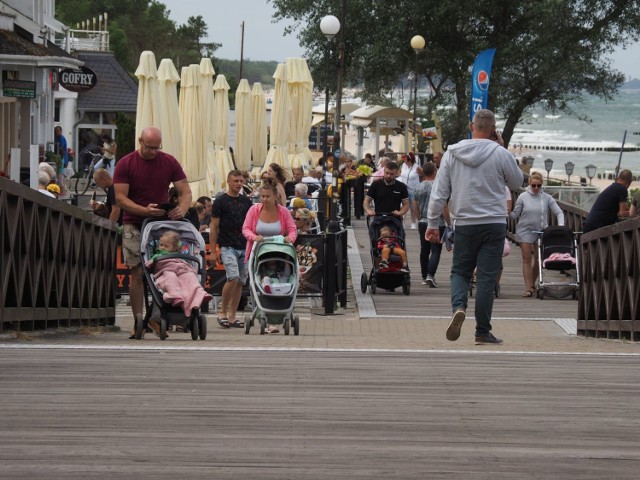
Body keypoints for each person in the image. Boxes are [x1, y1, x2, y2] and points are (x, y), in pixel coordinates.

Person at [426, 109, 523, 345]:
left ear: (472, 127)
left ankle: (459, 307)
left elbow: (440, 192)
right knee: (487, 278)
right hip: (494, 223)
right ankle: (482, 331)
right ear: (493, 130)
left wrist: (432, 223)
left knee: (460, 271)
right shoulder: (500, 153)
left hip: (464, 223)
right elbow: (517, 182)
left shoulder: (452, 153)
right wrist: (502, 147)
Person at [114, 126, 192, 338]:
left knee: (164, 270)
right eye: (149, 148)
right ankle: (138, 319)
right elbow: (120, 198)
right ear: (140, 141)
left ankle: (156, 317)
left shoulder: (168, 161)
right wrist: (143, 210)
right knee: (137, 272)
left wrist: (181, 210)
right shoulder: (126, 163)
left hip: (160, 224)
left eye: (157, 148)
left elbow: (185, 191)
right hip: (134, 221)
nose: (153, 152)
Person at [242, 177, 297, 333]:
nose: (264, 199)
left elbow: (292, 229)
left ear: (275, 197)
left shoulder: (283, 212)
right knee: (257, 284)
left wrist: (289, 238)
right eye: (262, 196)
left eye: (267, 196)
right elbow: (245, 229)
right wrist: (254, 237)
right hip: (258, 252)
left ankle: (279, 311)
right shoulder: (254, 210)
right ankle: (265, 319)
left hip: (278, 252)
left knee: (282, 275)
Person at [209, 170, 253, 329]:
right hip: (227, 245)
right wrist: (213, 250)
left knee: (241, 281)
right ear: (228, 181)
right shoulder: (220, 201)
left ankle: (232, 315)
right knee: (233, 277)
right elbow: (213, 226)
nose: (239, 184)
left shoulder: (246, 201)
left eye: (241, 181)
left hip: (244, 245)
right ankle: (222, 312)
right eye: (236, 181)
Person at [510, 172, 565, 297]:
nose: (536, 188)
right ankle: (528, 288)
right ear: (529, 184)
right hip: (525, 230)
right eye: (533, 185)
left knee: (539, 259)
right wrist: (505, 213)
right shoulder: (523, 196)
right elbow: (515, 214)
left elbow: (559, 212)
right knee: (527, 258)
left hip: (541, 231)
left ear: (541, 185)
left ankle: (533, 284)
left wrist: (561, 227)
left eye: (538, 186)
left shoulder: (546, 197)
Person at [144, 230, 212, 316]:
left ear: (174, 248)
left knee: (191, 276)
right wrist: (151, 262)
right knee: (170, 276)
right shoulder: (158, 255)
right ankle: (174, 295)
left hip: (180, 271)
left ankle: (200, 293)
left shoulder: (178, 255)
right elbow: (150, 263)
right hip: (164, 272)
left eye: (166, 246)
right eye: (161, 245)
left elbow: (182, 264)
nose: (162, 247)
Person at [414, 162, 450, 287]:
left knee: (424, 249)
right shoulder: (438, 187)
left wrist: (420, 219)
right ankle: (430, 274)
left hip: (423, 221)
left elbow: (415, 207)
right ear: (435, 171)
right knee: (436, 250)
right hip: (437, 222)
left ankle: (424, 276)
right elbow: (444, 206)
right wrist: (449, 223)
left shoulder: (418, 187)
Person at [400, 152, 420, 229]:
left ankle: (413, 223)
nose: (404, 160)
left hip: (413, 190)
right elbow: (401, 174)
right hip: (404, 189)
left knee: (413, 207)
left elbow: (422, 175)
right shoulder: (403, 166)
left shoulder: (416, 167)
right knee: (403, 206)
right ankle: (402, 222)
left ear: (410, 160)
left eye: (405, 159)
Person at [54, 126, 69, 193]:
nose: (57, 132)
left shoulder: (61, 138)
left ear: (61, 131)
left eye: (58, 131)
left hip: (61, 158)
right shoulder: (57, 138)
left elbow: (61, 148)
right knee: (60, 175)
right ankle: (62, 190)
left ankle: (62, 191)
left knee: (60, 174)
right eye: (56, 131)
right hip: (60, 158)